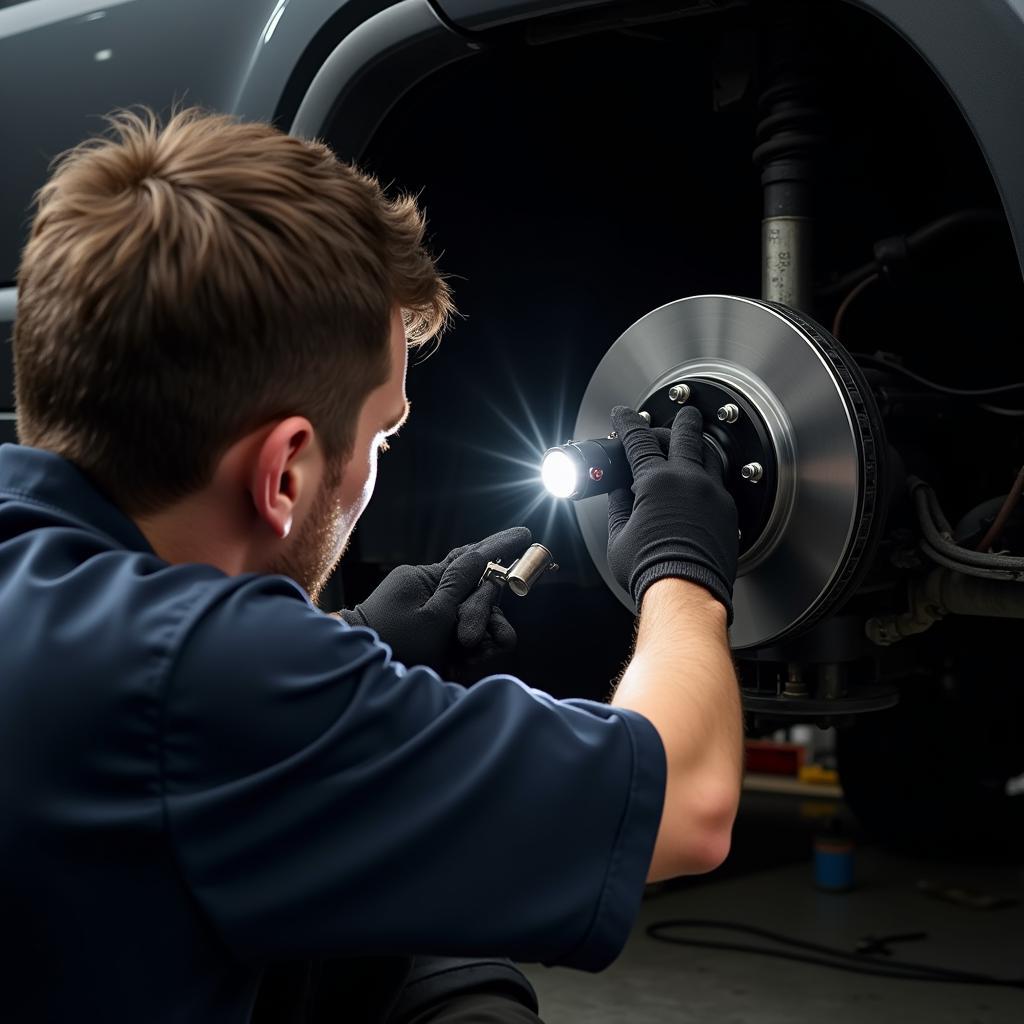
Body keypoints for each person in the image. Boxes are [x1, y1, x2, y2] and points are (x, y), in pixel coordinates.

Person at [0, 109, 742, 1023]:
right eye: (384, 432)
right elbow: (691, 797)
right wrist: (683, 566)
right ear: (283, 470)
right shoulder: (196, 676)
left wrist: (354, 643)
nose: (379, 463)